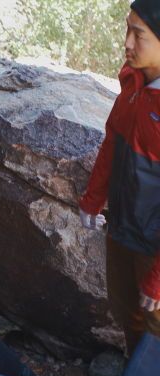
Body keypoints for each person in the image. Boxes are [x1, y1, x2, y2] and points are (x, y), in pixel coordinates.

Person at [79, 0, 160, 357]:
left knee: (156, 333)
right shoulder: (133, 84)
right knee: (127, 314)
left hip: (154, 248)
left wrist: (158, 278)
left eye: (138, 34)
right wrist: (92, 200)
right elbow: (112, 142)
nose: (127, 42)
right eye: (127, 29)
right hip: (123, 229)